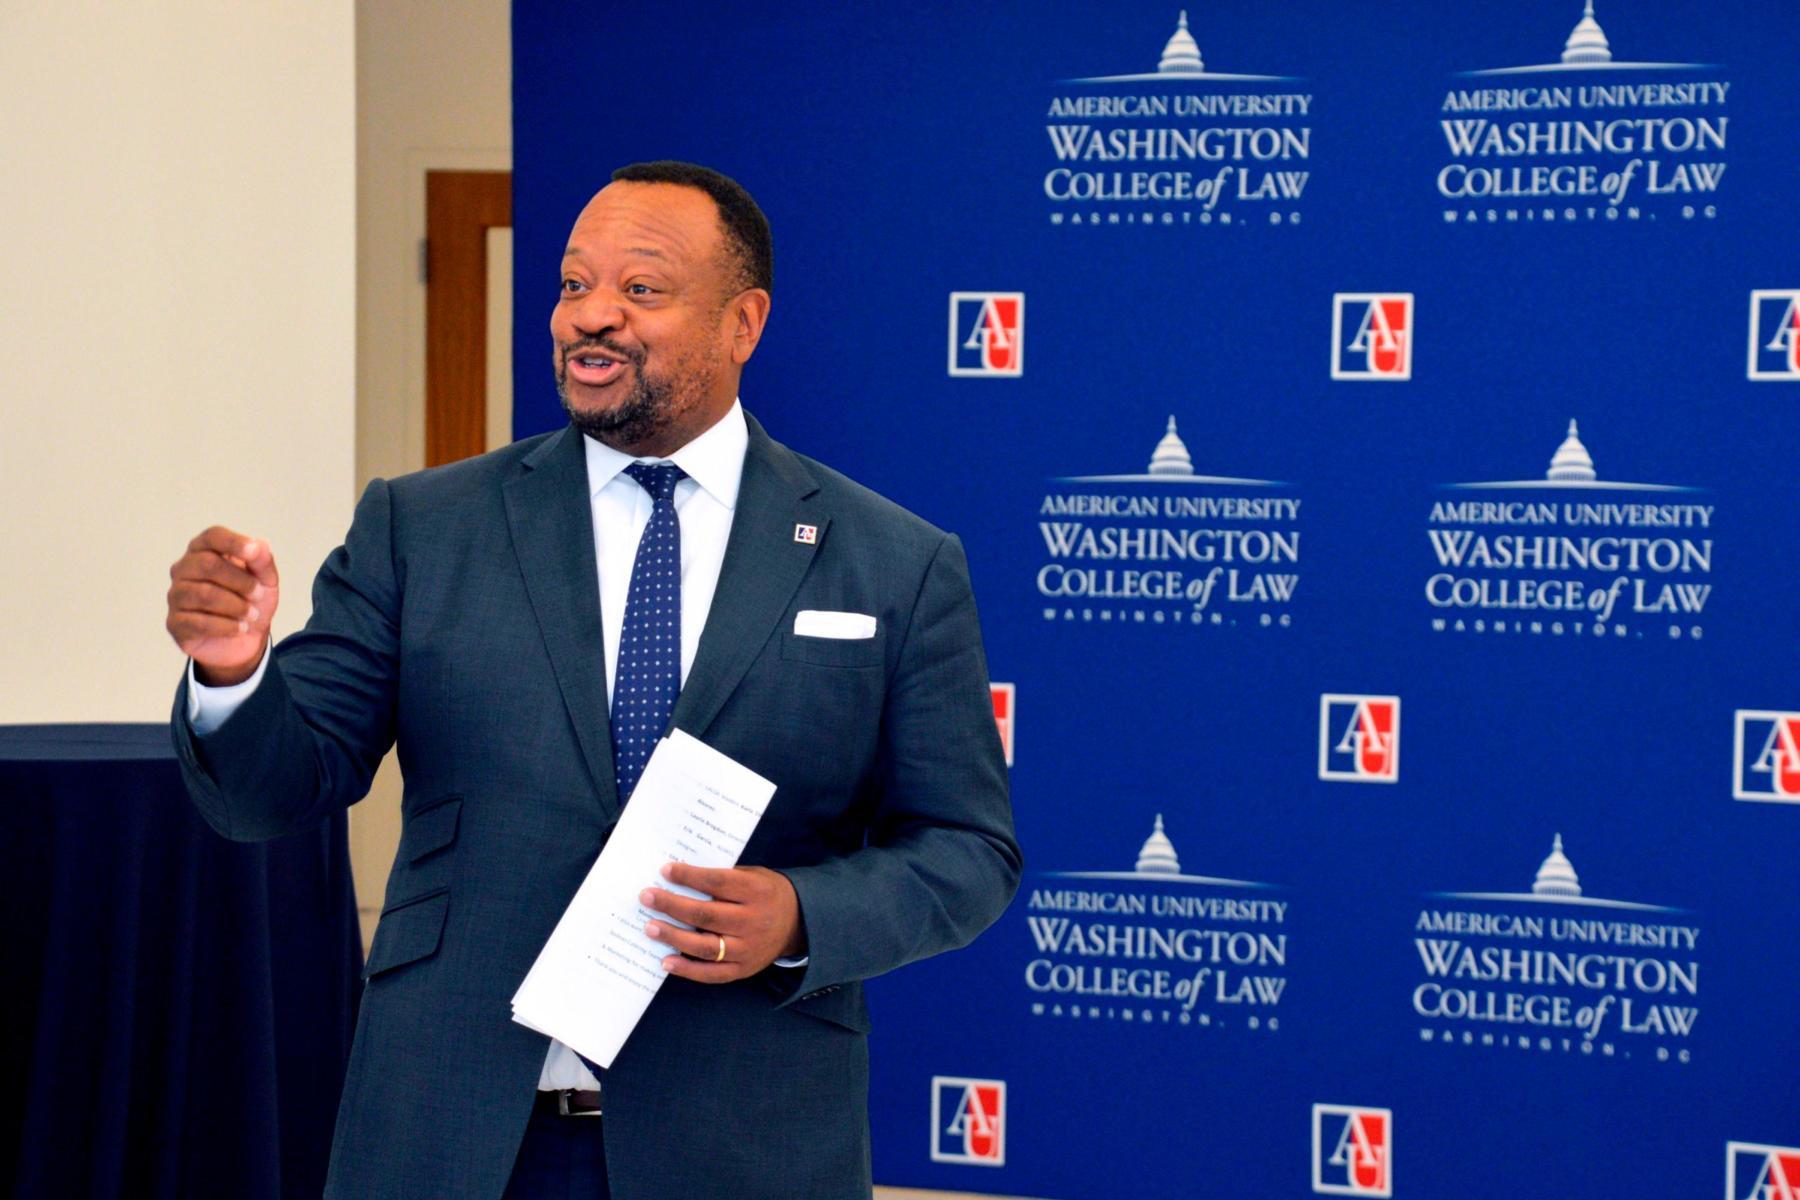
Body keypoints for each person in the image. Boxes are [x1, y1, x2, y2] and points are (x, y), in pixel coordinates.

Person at [163, 161, 1020, 1200]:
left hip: (743, 1143)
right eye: (574, 284)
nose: (592, 316)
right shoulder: (423, 527)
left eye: (640, 288)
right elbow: (273, 792)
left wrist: (800, 915)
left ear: (743, 323)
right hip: (454, 1136)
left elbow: (968, 850)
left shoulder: (893, 562)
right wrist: (234, 671)